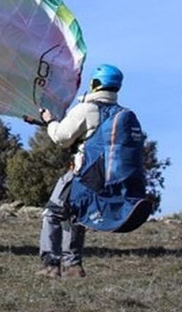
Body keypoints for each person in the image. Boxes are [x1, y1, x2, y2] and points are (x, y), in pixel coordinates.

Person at [35, 64, 125, 278]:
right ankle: (74, 266)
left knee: (53, 212)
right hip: (105, 176)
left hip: (82, 172)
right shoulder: (120, 113)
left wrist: (50, 122)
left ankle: (50, 265)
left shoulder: (88, 108)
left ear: (95, 84)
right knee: (75, 216)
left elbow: (61, 138)